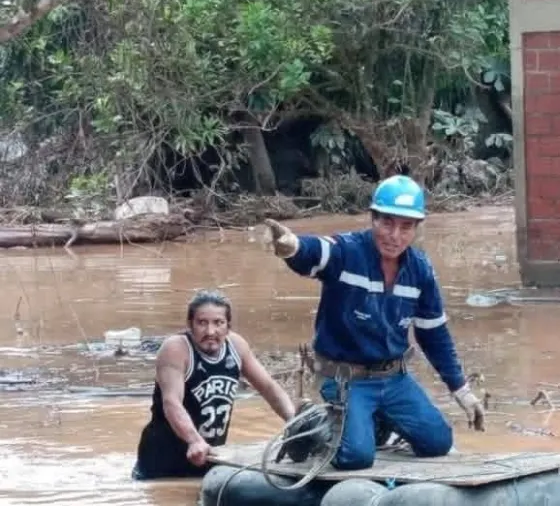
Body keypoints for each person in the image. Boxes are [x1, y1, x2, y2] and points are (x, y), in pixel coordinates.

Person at [264, 174, 485, 471]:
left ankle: (375, 422)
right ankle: (315, 425)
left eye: (406, 226)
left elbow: (434, 335)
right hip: (345, 379)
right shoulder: (348, 252)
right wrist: (291, 247)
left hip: (394, 379)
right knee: (356, 457)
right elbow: (317, 252)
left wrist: (462, 391)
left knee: (437, 443)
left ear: (417, 228)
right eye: (387, 223)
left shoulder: (420, 271)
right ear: (373, 219)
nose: (395, 235)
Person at [132, 289, 297, 480]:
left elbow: (269, 388)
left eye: (218, 323)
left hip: (208, 457)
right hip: (161, 462)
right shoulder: (175, 349)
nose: (210, 332)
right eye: (202, 323)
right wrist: (194, 441)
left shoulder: (236, 346)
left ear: (228, 326)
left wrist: (294, 421)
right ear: (190, 325)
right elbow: (172, 403)